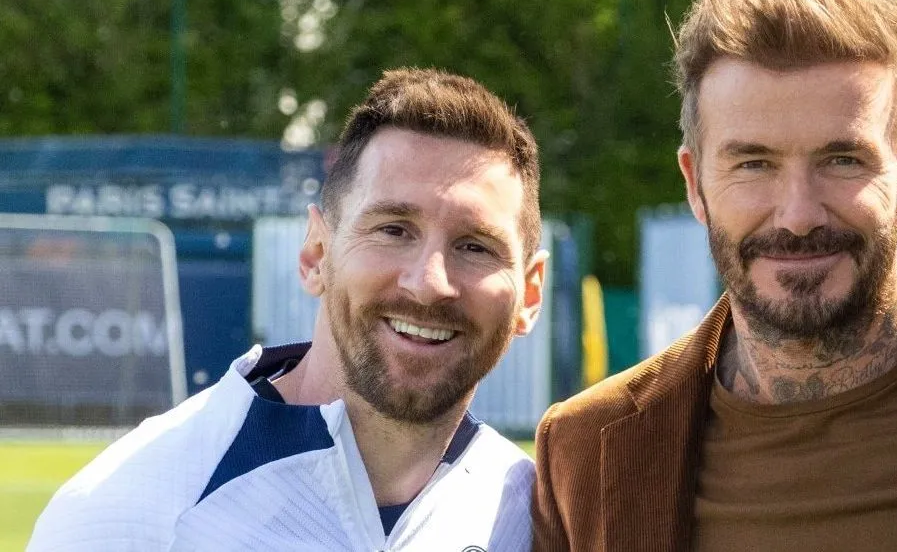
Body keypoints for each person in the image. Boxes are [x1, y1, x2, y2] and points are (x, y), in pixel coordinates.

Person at [533, 0, 897, 551]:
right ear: (695, 184)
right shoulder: (587, 451)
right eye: (754, 163)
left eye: (842, 160)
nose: (797, 216)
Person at [30, 68, 546, 551]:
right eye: (393, 230)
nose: (430, 283)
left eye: (475, 245)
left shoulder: (539, 517)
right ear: (317, 254)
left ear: (528, 295)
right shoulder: (129, 518)